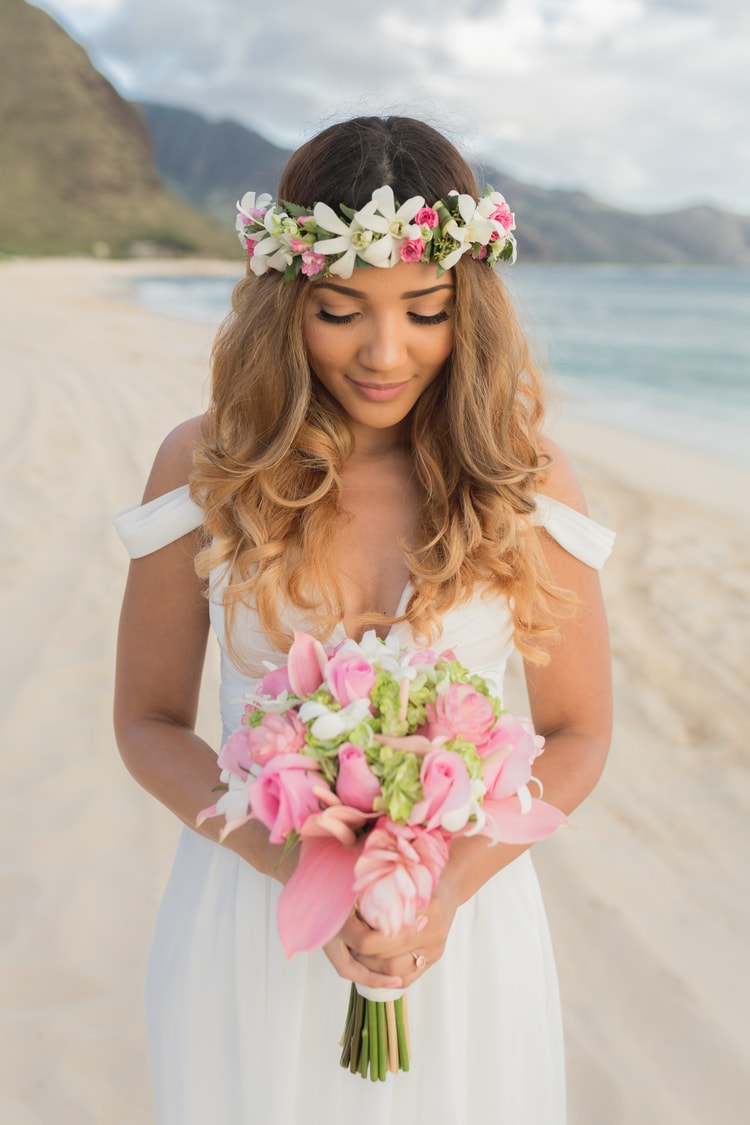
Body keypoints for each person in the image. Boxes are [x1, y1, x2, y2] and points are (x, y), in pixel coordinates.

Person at [113, 115, 613, 1124]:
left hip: (457, 932)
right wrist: (299, 865)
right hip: (253, 915)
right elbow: (147, 722)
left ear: (468, 305)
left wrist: (440, 890)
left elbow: (579, 732)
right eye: (342, 310)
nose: (387, 351)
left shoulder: (526, 481)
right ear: (287, 298)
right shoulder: (206, 465)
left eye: (426, 309)